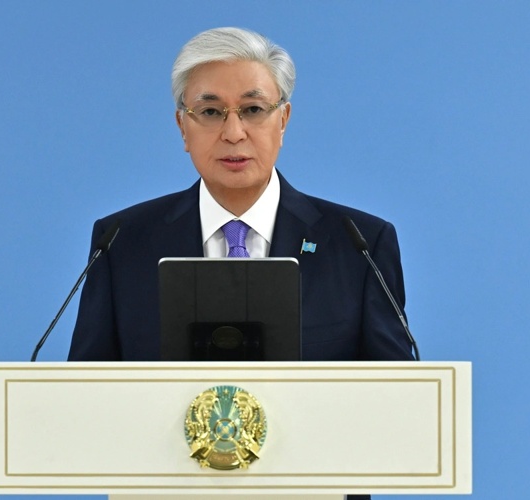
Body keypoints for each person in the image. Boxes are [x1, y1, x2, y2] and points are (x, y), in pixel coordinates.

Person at [68, 27, 414, 363]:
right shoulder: (120, 242)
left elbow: (398, 391)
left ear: (283, 121)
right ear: (182, 127)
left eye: (253, 110)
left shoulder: (360, 245)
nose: (233, 134)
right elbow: (85, 389)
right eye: (210, 112)